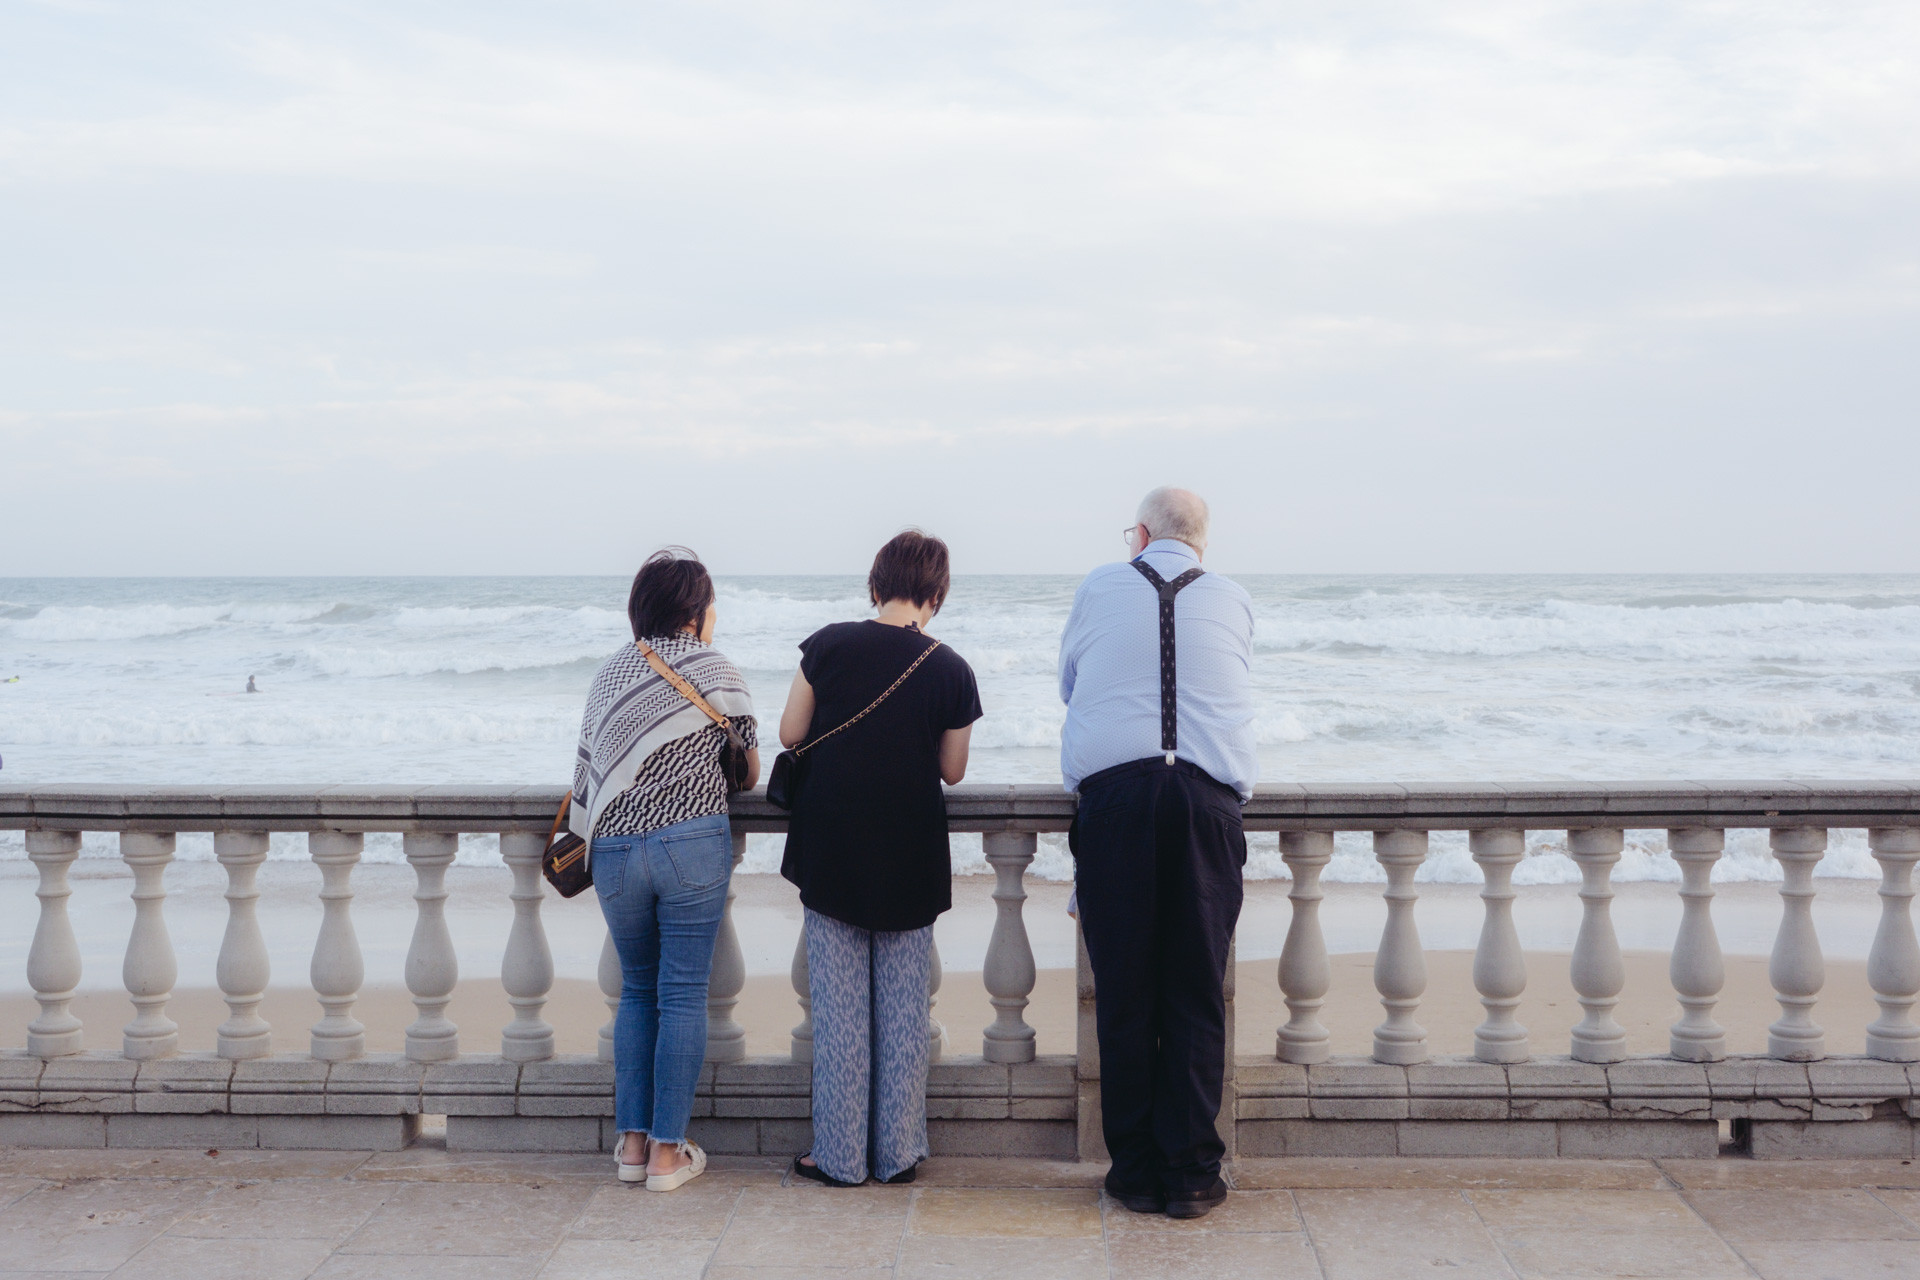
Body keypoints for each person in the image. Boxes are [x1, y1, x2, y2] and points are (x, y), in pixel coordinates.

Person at [1058, 487, 1254, 1219]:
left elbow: (1071, 684)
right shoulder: (1232, 597)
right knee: (1196, 992)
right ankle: (1194, 1173)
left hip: (1117, 804)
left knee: (1127, 990)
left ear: (1139, 534)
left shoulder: (1101, 585)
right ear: (1202, 542)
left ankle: (1135, 1170)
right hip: (1207, 803)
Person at [778, 530, 983, 1186]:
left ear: (875, 584)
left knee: (839, 1011)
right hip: (909, 847)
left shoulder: (829, 644)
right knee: (902, 1010)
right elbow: (952, 770)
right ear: (936, 594)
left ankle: (838, 1158)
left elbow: (788, 733)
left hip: (832, 842)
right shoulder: (951, 668)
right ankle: (895, 1156)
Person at [569, 548, 760, 1191]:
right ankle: (668, 1155)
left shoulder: (607, 674)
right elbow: (750, 769)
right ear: (698, 611)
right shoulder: (717, 666)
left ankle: (630, 1146)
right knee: (682, 994)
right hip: (690, 845)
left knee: (637, 991)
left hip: (617, 851)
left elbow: (586, 776)